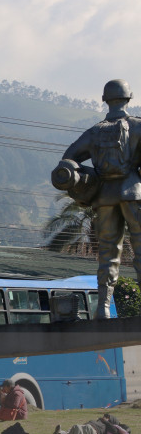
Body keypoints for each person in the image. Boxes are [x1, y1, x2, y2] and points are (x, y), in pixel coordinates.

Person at [54, 79, 141, 318]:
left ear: (105, 99)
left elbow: (68, 160)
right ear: (128, 98)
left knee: (107, 253)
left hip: (104, 198)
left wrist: (87, 179)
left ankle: (102, 308)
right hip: (133, 194)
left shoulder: (94, 131)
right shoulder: (137, 127)